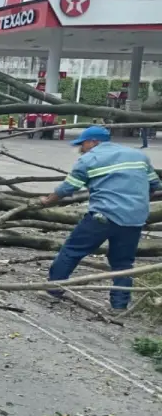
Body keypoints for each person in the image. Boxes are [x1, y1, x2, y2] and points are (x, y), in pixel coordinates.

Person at [41, 125, 162, 310]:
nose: (81, 149)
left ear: (94, 142)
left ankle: (52, 289)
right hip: (135, 218)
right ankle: (119, 306)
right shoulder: (139, 156)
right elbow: (154, 185)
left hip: (103, 216)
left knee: (72, 251)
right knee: (123, 263)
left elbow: (67, 189)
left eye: (83, 144)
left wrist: (45, 201)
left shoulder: (89, 159)